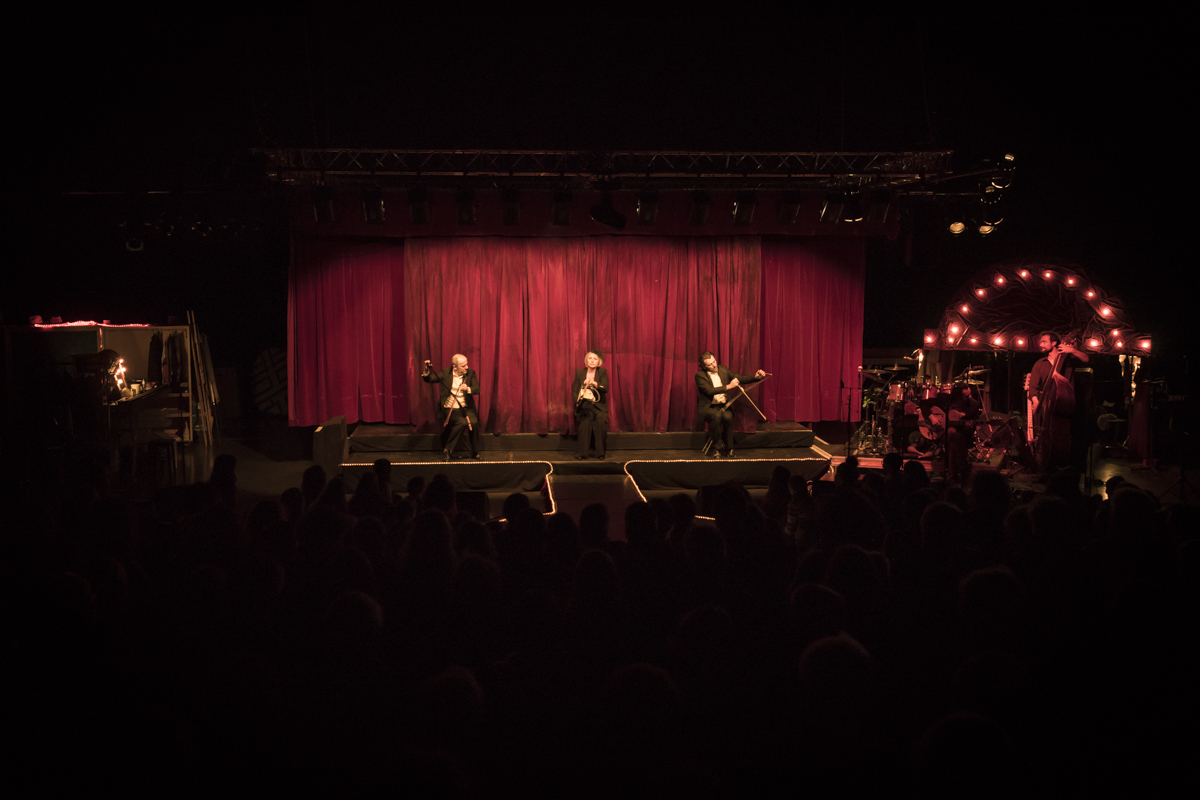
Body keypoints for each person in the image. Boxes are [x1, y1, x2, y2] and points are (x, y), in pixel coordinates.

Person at [1026, 331, 1088, 475]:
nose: (1040, 344)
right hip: (1046, 407)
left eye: (1044, 341)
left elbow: (1086, 359)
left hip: (1066, 407)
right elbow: (1033, 388)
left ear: (1054, 343)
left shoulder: (1068, 359)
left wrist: (1072, 350)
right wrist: (1036, 401)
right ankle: (1046, 468)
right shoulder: (1039, 364)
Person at [695, 351, 766, 457]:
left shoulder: (723, 369)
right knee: (716, 416)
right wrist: (729, 386)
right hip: (709, 407)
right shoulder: (699, 376)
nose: (714, 365)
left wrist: (755, 377)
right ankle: (717, 448)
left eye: (714, 361)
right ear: (704, 367)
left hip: (724, 405)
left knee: (728, 417)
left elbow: (739, 378)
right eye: (710, 364)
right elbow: (709, 390)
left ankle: (730, 448)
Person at [422, 354, 481, 460]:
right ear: (455, 367)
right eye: (463, 366)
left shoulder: (471, 373)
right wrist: (426, 371)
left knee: (474, 423)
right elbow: (430, 379)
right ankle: (447, 450)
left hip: (466, 407)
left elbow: (477, 389)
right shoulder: (446, 372)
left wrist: (468, 388)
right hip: (451, 407)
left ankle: (475, 452)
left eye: (467, 364)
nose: (467, 367)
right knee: (462, 422)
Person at [572, 350, 609, 459]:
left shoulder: (602, 371)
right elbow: (574, 391)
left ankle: (601, 453)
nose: (592, 361)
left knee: (600, 423)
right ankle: (582, 453)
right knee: (585, 424)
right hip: (585, 406)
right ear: (586, 360)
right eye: (590, 358)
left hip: (599, 406)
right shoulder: (579, 373)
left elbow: (605, 388)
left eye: (595, 359)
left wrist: (595, 383)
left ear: (599, 362)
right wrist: (577, 401)